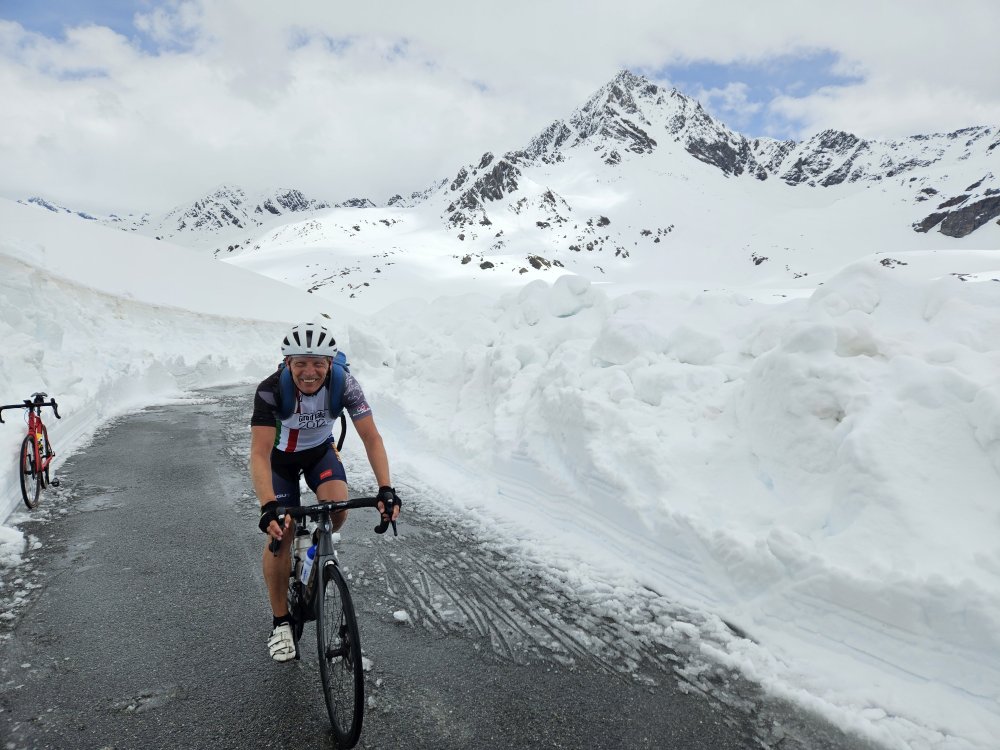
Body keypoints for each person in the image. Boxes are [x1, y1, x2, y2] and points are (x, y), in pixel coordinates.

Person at [250, 322, 400, 662]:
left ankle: (315, 551)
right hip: (279, 462)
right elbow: (258, 453)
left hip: (320, 453)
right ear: (288, 363)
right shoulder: (270, 390)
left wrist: (386, 488)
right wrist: (268, 506)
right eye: (301, 362)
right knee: (281, 535)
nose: (310, 371)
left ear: (330, 363)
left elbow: (372, 438)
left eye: (318, 362)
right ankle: (281, 622)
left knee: (337, 508)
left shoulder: (344, 383)